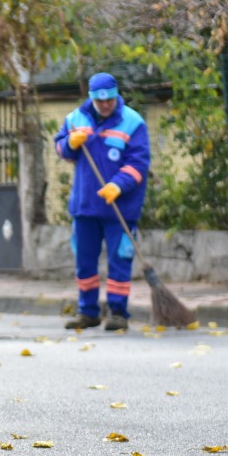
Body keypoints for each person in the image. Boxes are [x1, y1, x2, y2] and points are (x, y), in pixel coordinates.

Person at [54, 72, 152, 332]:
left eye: (109, 100)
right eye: (100, 101)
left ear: (116, 94)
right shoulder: (75, 119)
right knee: (84, 260)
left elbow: (139, 163)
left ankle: (118, 313)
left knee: (120, 259)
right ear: (92, 98)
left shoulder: (133, 123)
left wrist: (118, 185)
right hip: (85, 205)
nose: (105, 105)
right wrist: (69, 143)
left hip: (120, 207)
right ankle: (88, 312)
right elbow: (60, 148)